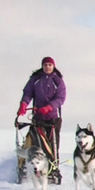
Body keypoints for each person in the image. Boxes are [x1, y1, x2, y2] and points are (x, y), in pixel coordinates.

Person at [17, 55, 66, 183]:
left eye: (50, 65)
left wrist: (49, 107)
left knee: (52, 145)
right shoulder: (35, 79)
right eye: (45, 65)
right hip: (37, 117)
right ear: (42, 66)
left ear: (53, 66)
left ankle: (53, 167)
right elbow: (27, 93)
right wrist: (23, 104)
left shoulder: (58, 81)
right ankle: (29, 166)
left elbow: (61, 98)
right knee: (35, 143)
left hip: (53, 119)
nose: (47, 67)